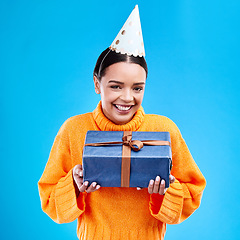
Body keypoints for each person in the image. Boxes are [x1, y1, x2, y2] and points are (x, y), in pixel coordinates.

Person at [38, 5, 206, 240]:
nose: (127, 98)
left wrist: (164, 192)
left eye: (137, 88)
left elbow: (193, 193)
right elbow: (49, 201)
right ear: (97, 84)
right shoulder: (73, 130)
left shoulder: (164, 129)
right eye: (116, 86)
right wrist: (74, 186)